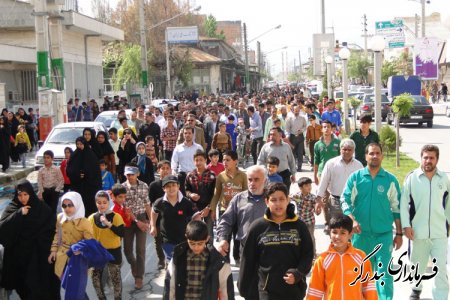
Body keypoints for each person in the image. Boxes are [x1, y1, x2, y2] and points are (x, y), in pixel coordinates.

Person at [340, 143, 402, 300]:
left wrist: (399, 233)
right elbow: (345, 200)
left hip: (383, 235)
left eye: (377, 153)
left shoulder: (390, 180)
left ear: (382, 156)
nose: (374, 156)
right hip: (360, 235)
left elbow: (397, 207)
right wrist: (352, 220)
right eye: (371, 153)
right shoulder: (356, 178)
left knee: (384, 274)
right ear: (365, 156)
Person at [238, 182, 314, 300]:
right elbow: (248, 259)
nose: (278, 204)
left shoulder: (299, 226)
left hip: (294, 289)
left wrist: (298, 273)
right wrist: (244, 288)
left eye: (281, 199)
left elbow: (308, 254)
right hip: (266, 291)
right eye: (273, 200)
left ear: (288, 200)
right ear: (267, 202)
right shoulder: (257, 227)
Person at [400, 144, 450, 300]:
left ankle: (441, 296)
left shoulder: (444, 178)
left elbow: (448, 203)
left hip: (439, 232)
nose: (428, 160)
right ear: (421, 158)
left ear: (437, 160)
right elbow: (403, 204)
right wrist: (406, 225)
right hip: (417, 232)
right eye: (425, 157)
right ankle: (416, 289)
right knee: (416, 264)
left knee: (440, 268)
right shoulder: (412, 178)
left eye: (432, 158)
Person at [0, 181, 59, 299]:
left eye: (25, 195)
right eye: (20, 195)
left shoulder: (42, 209)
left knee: (38, 288)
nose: (22, 198)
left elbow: (52, 230)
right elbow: (2, 228)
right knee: (23, 289)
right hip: (19, 258)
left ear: (31, 194)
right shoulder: (13, 207)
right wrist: (19, 214)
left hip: (37, 257)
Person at [306, 215, 378, 300]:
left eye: (343, 233)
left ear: (350, 234)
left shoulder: (361, 257)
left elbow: (368, 286)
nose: (337, 236)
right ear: (330, 233)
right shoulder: (322, 260)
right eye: (334, 232)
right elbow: (315, 290)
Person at [163, 220, 234, 299]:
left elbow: (226, 290)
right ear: (186, 237)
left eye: (200, 243)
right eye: (192, 243)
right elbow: (170, 287)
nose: (196, 247)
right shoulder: (178, 258)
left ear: (207, 239)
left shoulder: (218, 261)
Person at [215, 165, 265, 265]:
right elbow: (225, 220)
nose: (252, 183)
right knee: (246, 280)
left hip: (269, 249)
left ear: (264, 180)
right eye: (250, 179)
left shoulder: (272, 198)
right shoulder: (239, 199)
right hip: (246, 249)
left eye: (256, 179)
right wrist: (223, 239)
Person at [316, 139, 363, 234]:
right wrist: (318, 200)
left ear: (353, 151)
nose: (347, 152)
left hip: (352, 203)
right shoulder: (331, 163)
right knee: (336, 229)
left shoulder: (358, 165)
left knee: (349, 230)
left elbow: (362, 185)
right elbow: (323, 182)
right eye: (344, 149)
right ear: (340, 149)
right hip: (335, 202)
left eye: (349, 150)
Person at [48, 192, 94, 289]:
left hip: (77, 258)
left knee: (76, 289)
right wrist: (53, 250)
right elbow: (57, 234)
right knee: (67, 286)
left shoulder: (85, 222)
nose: (67, 208)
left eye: (70, 205)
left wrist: (81, 250)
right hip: (62, 256)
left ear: (77, 204)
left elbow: (90, 243)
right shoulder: (60, 217)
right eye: (64, 205)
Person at [151, 175, 198, 263]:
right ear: (164, 189)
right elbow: (154, 212)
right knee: (172, 263)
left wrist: (196, 229)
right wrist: (153, 225)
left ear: (178, 186)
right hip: (167, 240)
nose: (171, 188)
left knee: (183, 262)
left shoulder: (186, 202)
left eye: (173, 185)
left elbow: (196, 215)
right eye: (168, 186)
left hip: (184, 239)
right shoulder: (159, 202)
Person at [89, 191, 124, 300]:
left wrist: (109, 224)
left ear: (109, 202)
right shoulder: (91, 218)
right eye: (99, 202)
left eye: (104, 202)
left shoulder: (116, 216)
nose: (102, 205)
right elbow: (89, 236)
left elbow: (121, 233)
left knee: (115, 279)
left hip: (113, 251)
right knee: (96, 281)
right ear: (96, 203)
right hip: (98, 252)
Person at [121, 164, 151, 290]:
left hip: (142, 217)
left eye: (132, 174)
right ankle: (134, 266)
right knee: (127, 250)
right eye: (128, 174)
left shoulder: (144, 186)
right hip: (128, 220)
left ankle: (139, 277)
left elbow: (147, 204)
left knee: (140, 250)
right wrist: (137, 221)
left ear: (137, 174)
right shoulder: (122, 188)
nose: (130, 176)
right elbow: (125, 208)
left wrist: (151, 222)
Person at [185, 150, 216, 244]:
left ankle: (210, 253)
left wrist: (210, 208)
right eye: (196, 160)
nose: (198, 162)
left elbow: (215, 194)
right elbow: (186, 191)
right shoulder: (190, 175)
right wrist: (191, 195)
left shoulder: (212, 175)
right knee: (194, 231)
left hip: (208, 208)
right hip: (194, 208)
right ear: (193, 161)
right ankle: (196, 250)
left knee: (209, 231)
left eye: (201, 160)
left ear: (205, 160)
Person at [66, 137, 102, 216]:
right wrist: (78, 175)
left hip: (90, 187)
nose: (79, 146)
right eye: (78, 144)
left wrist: (86, 174)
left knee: (90, 207)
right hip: (78, 186)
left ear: (85, 144)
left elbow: (95, 171)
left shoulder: (91, 155)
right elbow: (69, 170)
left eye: (81, 144)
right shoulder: (74, 155)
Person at [148, 161, 172, 269]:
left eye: (167, 168)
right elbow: (150, 203)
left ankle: (169, 259)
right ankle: (161, 260)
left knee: (169, 240)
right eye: (163, 168)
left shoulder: (174, 184)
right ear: (158, 170)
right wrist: (151, 221)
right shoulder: (154, 185)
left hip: (171, 218)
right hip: (157, 218)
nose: (165, 170)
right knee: (158, 241)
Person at [257, 127, 296, 191]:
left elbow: (291, 160)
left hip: (284, 175)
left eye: (274, 134)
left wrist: (293, 174)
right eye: (270, 134)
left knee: (284, 195)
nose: (271, 136)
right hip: (270, 176)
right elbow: (260, 161)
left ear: (280, 135)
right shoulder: (266, 147)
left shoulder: (286, 146)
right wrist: (264, 172)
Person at [171, 126, 203, 195]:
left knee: (195, 196)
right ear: (183, 134)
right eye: (185, 133)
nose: (187, 135)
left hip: (195, 176)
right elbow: (174, 162)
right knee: (182, 197)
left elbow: (203, 162)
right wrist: (173, 171)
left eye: (189, 133)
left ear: (193, 134)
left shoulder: (198, 147)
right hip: (182, 176)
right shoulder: (178, 148)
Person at [291, 177, 318, 255]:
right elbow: (289, 198)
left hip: (310, 221)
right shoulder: (297, 196)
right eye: (306, 185)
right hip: (299, 221)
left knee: (310, 237)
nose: (309, 187)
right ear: (300, 187)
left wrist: (318, 208)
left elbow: (316, 210)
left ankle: (313, 253)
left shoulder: (312, 197)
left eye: (310, 185)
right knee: (298, 237)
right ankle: (300, 253)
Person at [313, 120, 340, 185]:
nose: (326, 129)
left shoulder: (338, 142)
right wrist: (315, 176)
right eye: (324, 127)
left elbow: (341, 158)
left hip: (335, 173)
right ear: (321, 129)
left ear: (331, 129)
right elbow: (316, 161)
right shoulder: (317, 144)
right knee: (322, 194)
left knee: (333, 194)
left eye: (328, 127)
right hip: (321, 173)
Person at [37, 150, 64, 214]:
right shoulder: (41, 170)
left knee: (53, 209)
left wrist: (57, 190)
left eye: (48, 157)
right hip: (45, 191)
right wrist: (41, 191)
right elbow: (39, 181)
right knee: (46, 209)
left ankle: (53, 222)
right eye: (45, 157)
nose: (46, 159)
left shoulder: (56, 169)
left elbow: (61, 180)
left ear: (52, 158)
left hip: (54, 191)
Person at [286, 104, 307, 171]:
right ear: (293, 110)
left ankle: (299, 167)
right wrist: (288, 137)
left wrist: (301, 130)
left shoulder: (302, 118)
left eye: (298, 110)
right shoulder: (289, 118)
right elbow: (287, 129)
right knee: (293, 153)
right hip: (292, 137)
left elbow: (305, 126)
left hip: (300, 137)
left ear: (299, 110)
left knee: (300, 152)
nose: (297, 112)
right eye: (295, 110)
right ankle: (293, 167)